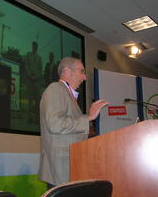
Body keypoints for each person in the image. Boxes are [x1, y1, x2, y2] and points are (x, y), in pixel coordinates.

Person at [38, 57, 109, 187]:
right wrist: (88, 117)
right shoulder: (55, 88)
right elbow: (55, 124)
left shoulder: (66, 94)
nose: (85, 77)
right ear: (67, 71)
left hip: (68, 167)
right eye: (81, 71)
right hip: (60, 169)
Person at [25, 41, 43, 123]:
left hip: (37, 81)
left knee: (37, 100)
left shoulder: (39, 58)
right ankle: (29, 118)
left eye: (35, 46)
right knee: (30, 100)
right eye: (33, 46)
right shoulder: (28, 55)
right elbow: (26, 65)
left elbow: (40, 70)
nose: (34, 47)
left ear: (37, 47)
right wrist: (30, 75)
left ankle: (36, 119)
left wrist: (36, 77)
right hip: (29, 79)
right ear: (32, 47)